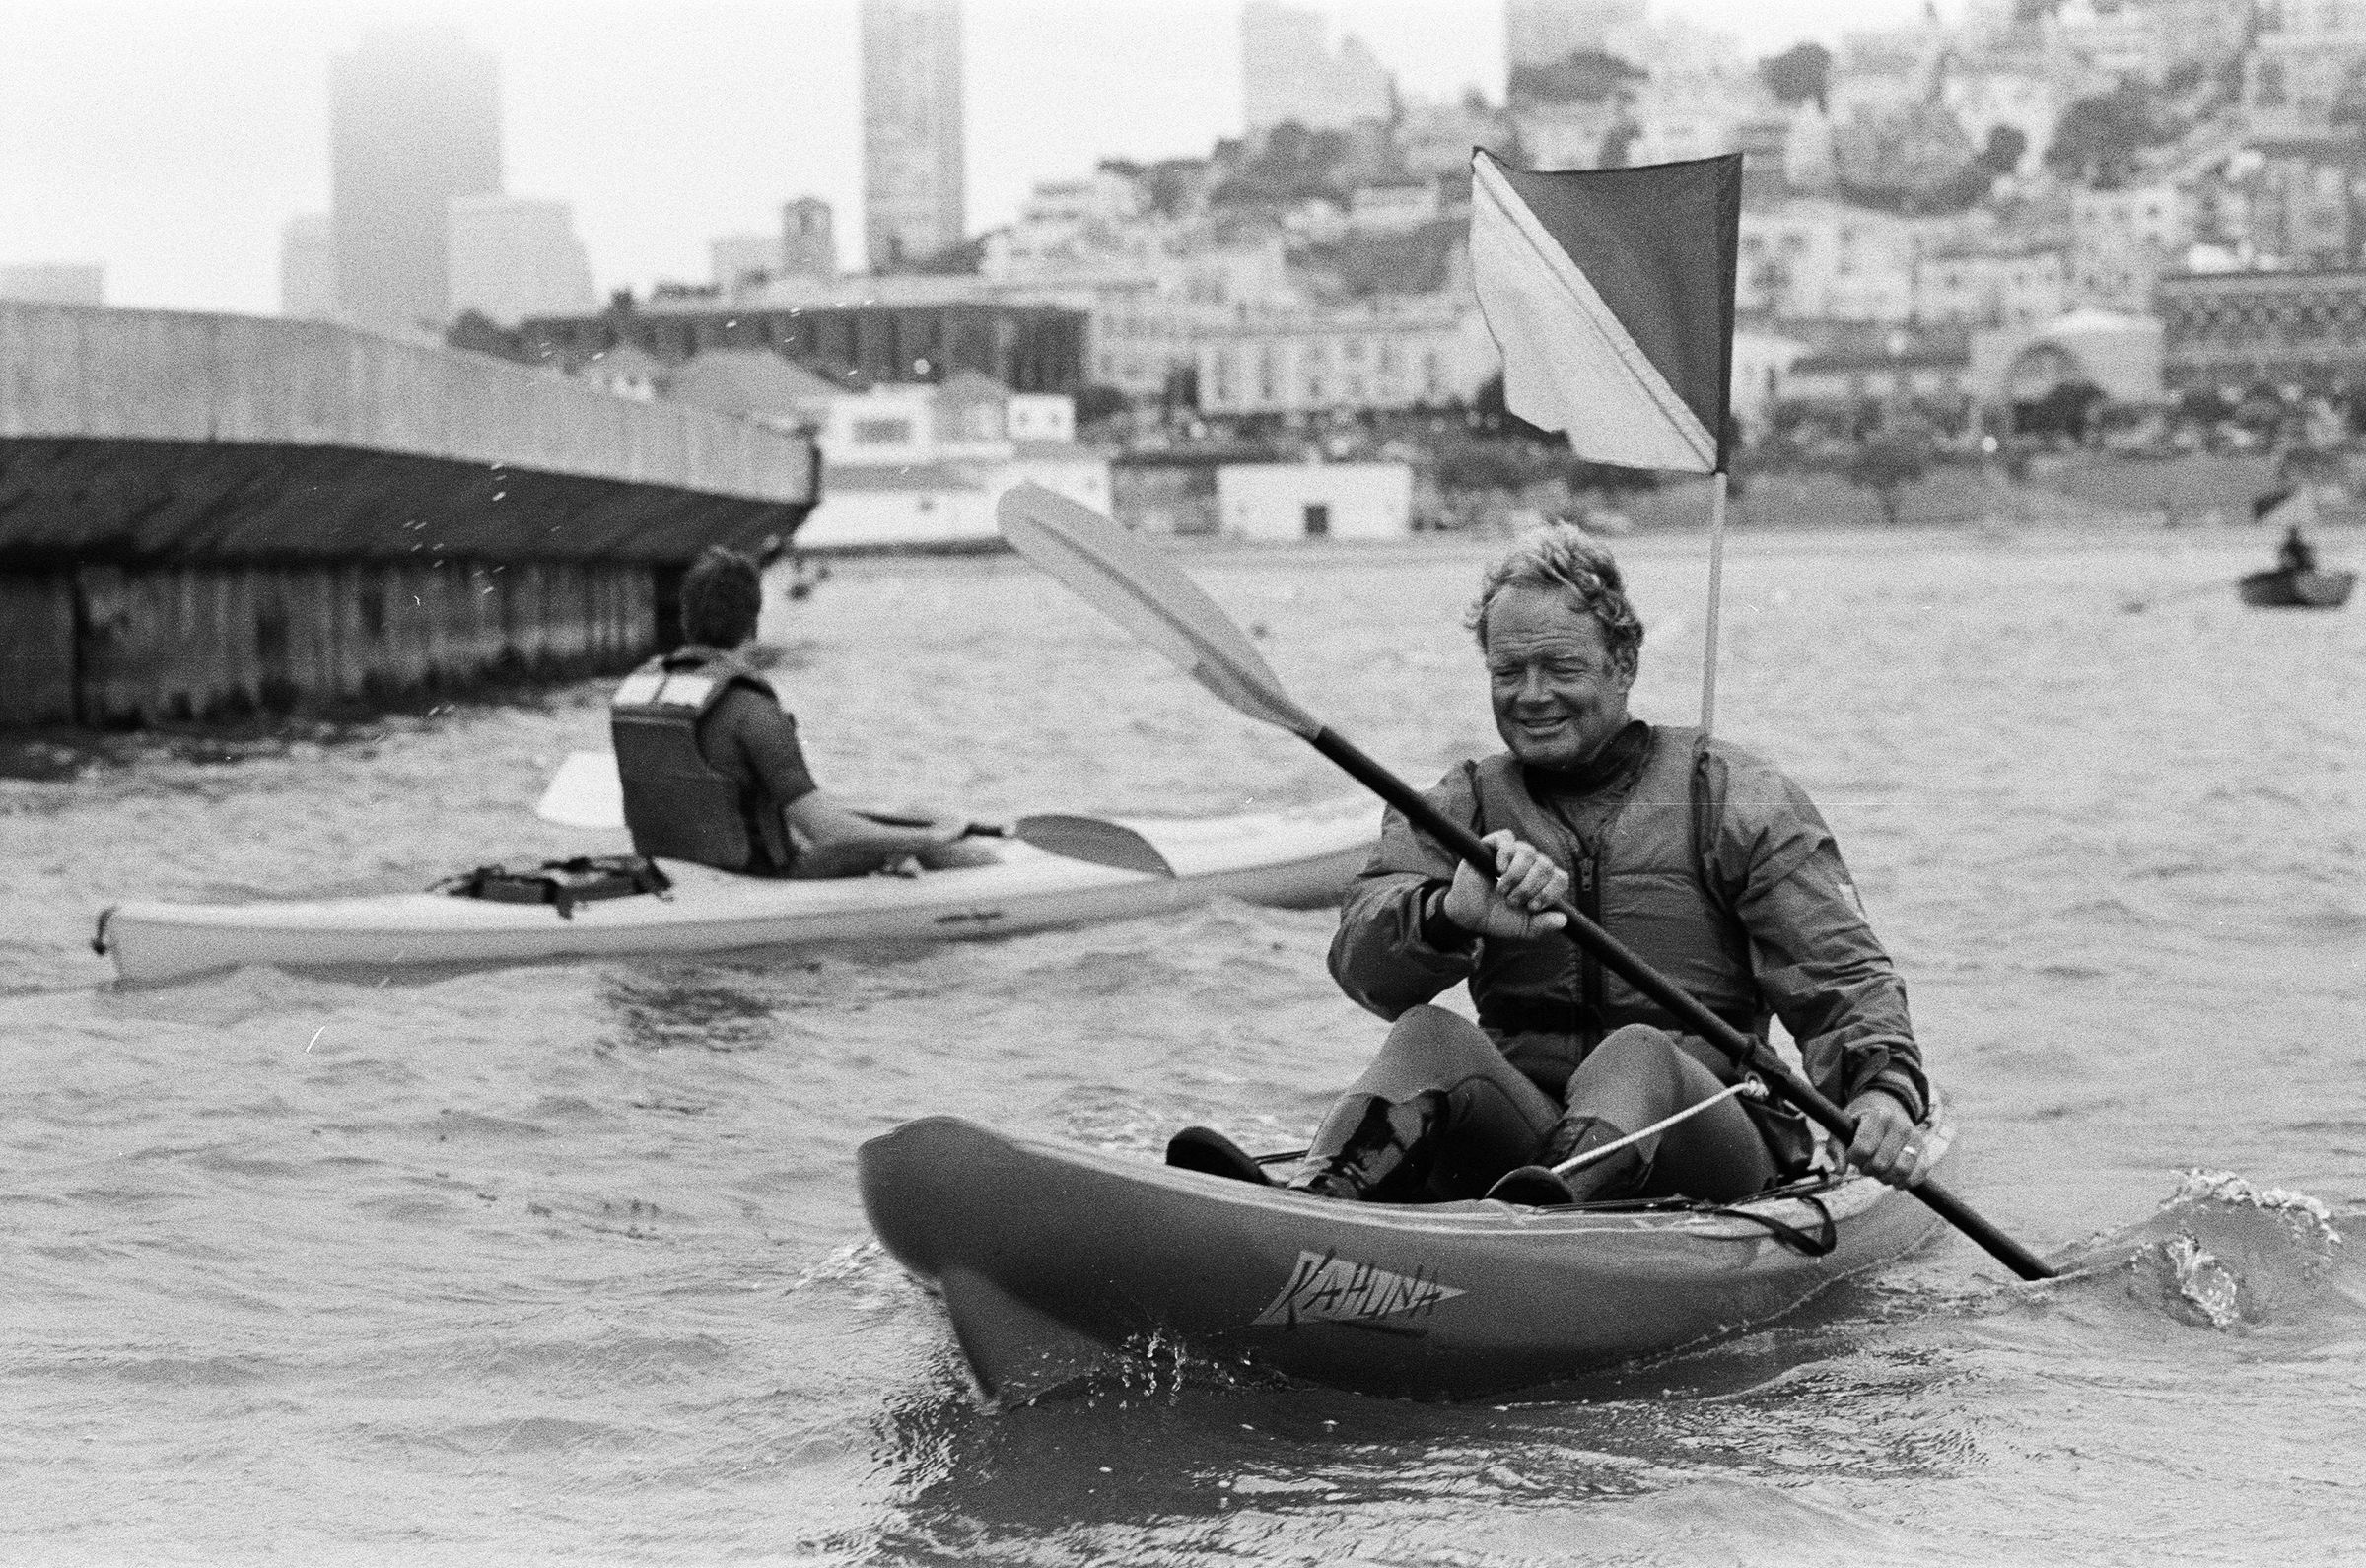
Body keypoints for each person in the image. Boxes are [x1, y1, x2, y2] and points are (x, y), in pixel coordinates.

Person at [1170, 526, 1931, 1207]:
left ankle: (1546, 1217)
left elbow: (1844, 974)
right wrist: (1449, 914)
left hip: (1710, 1139)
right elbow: (1363, 970)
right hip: (1529, 1142)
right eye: (1509, 671)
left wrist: (1882, 1091)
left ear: (1623, 663)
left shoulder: (1734, 796)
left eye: (1560, 667)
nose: (1532, 696)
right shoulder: (1464, 802)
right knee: (1429, 1032)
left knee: (1638, 1050)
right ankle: (1321, 1199)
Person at [609, 546, 999, 878]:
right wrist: (929, 839)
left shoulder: (637, 691)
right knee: (933, 841)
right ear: (753, 624)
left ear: (685, 619)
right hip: (763, 877)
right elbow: (829, 833)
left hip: (678, 866)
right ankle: (1004, 878)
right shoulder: (751, 711)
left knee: (909, 814)